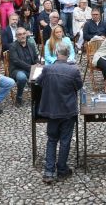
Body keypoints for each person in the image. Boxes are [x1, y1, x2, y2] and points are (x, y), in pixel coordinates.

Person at [38, 41, 83, 184]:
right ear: (68, 54)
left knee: (52, 140)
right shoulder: (74, 71)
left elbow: (39, 82)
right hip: (68, 110)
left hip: (52, 110)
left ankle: (49, 172)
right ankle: (62, 169)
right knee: (65, 140)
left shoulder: (47, 69)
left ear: (56, 53)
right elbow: (79, 86)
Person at [8, 27, 39, 106]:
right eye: (20, 34)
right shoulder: (13, 46)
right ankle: (19, 97)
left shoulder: (31, 44)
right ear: (16, 36)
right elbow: (16, 61)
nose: (22, 36)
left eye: (24, 34)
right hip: (17, 70)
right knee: (22, 77)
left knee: (43, 73)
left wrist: (37, 65)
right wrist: (31, 68)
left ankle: (37, 96)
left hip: (30, 68)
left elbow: (35, 58)